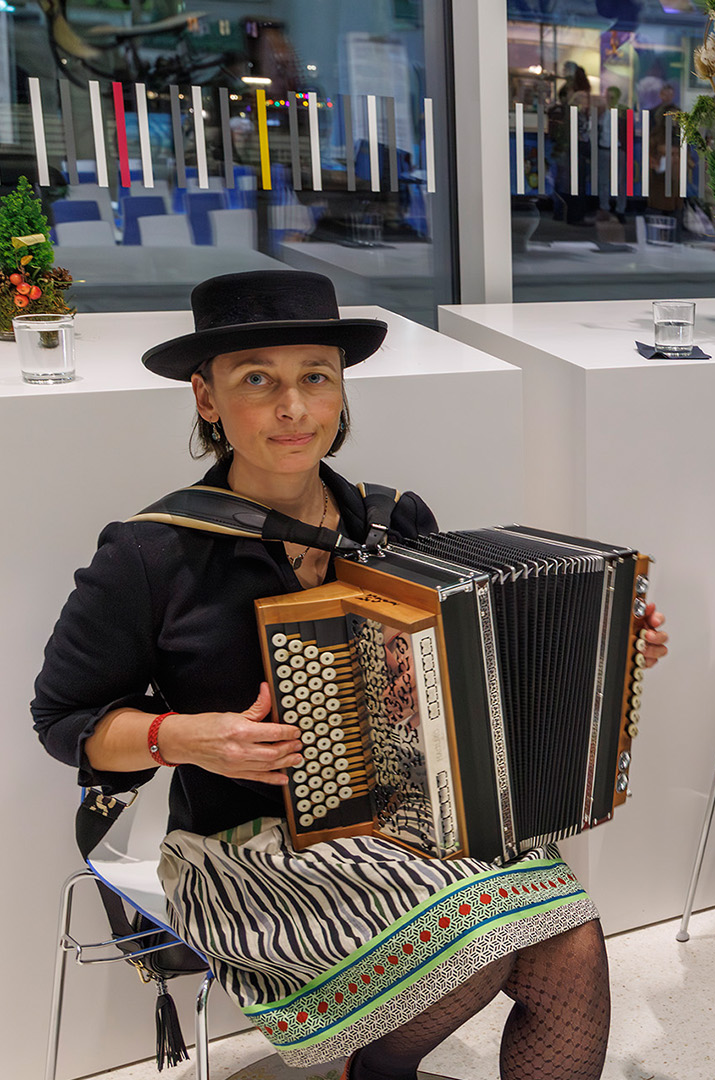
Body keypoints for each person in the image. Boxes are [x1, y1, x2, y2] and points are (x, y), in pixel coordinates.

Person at [31, 270, 670, 1080]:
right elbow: (63, 722)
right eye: (256, 380)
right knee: (479, 942)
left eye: (315, 378)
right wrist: (187, 738)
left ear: (340, 393)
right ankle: (370, 1070)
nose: (292, 408)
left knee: (570, 940)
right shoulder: (151, 552)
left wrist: (605, 654)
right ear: (206, 398)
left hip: (414, 826)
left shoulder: (394, 518)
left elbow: (471, 681)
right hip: (248, 847)